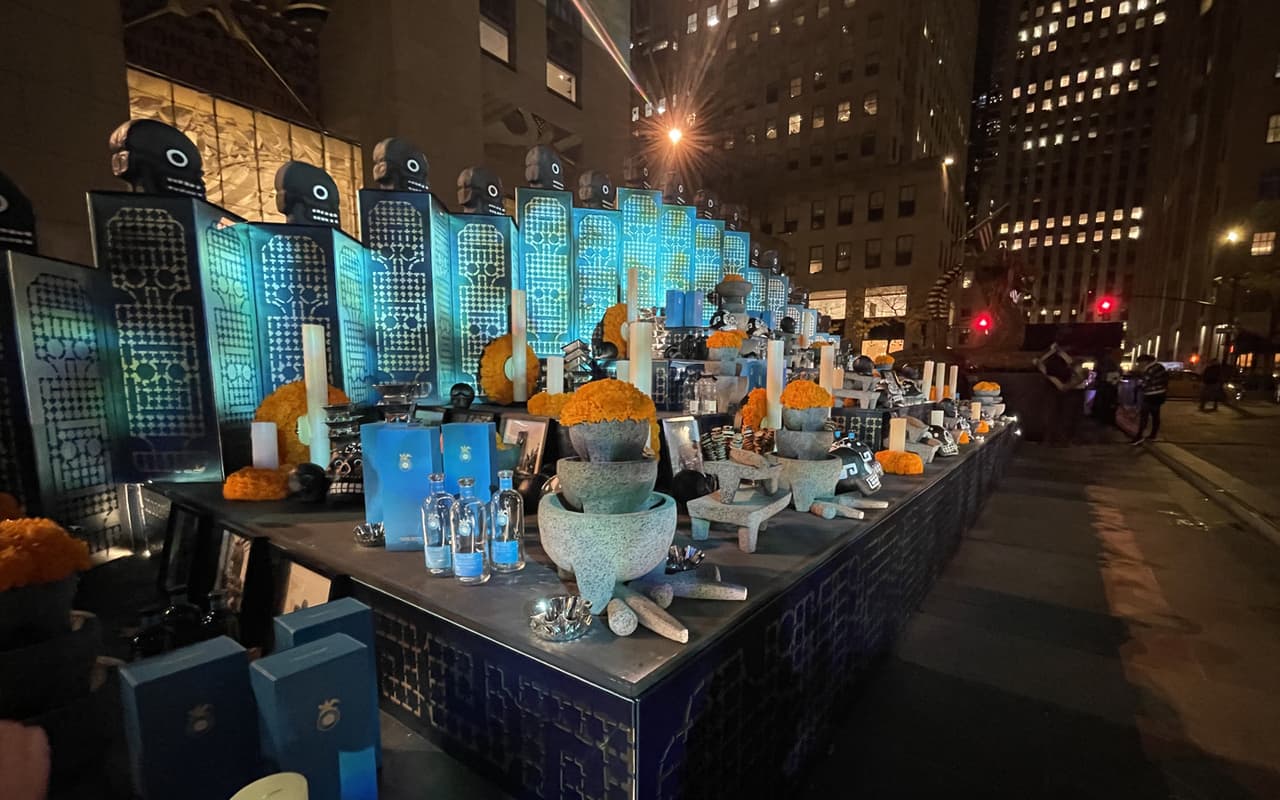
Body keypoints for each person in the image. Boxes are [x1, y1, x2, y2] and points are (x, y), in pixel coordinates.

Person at [1035, 331, 1086, 445]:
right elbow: (1040, 364)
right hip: (1057, 388)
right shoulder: (1059, 364)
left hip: (1067, 390)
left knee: (1063, 416)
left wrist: (1059, 353)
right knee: (1054, 415)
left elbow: (1076, 372)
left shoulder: (1071, 366)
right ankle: (1054, 439)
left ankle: (1060, 439)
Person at [1132, 354, 1168, 444]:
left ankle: (1139, 436)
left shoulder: (1150, 369)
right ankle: (1153, 435)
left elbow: (1145, 383)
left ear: (1145, 362)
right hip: (1160, 395)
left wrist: (1138, 386)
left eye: (1140, 363)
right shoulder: (1160, 367)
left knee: (1144, 415)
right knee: (1155, 415)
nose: (1140, 365)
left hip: (1151, 394)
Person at [1093, 347, 1121, 426]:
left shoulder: (1103, 362)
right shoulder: (1112, 362)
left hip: (1105, 385)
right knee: (1108, 403)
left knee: (1104, 403)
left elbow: (1098, 373)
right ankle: (1108, 419)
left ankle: (1103, 419)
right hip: (1109, 385)